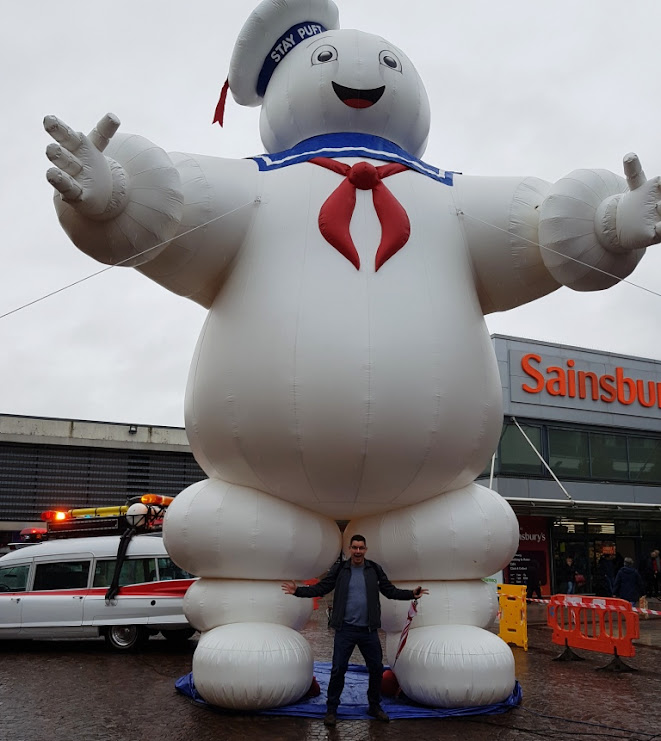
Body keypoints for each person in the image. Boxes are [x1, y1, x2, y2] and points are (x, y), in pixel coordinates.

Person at [282, 534, 428, 727]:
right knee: (338, 670)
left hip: (368, 631)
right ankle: (332, 710)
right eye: (355, 548)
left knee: (376, 669)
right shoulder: (341, 569)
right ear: (350, 549)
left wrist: (411, 594)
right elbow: (322, 588)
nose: (358, 551)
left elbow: (389, 591)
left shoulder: (374, 569)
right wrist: (298, 591)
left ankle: (374, 706)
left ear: (365, 550)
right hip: (346, 630)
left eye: (361, 548)